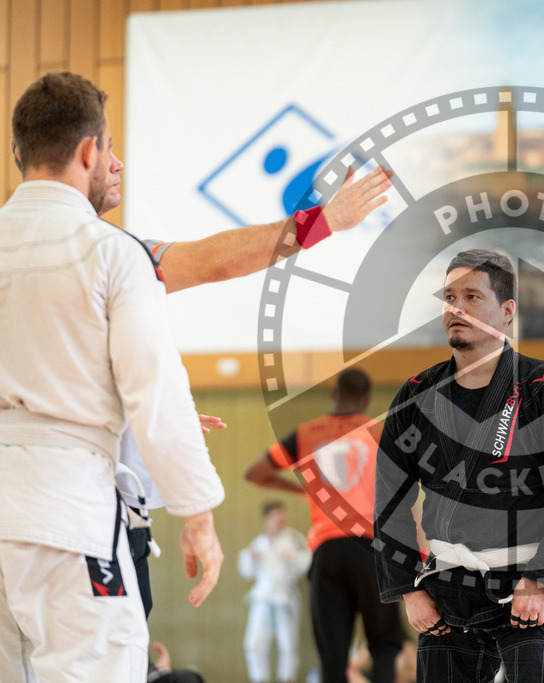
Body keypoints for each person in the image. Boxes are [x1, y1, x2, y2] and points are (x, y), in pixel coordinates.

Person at [11, 87, 393, 621]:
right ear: (87, 153)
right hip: (79, 515)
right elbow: (215, 264)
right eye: (110, 149)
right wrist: (321, 221)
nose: (118, 165)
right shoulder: (116, 254)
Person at [0, 72, 225, 680]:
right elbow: (155, 391)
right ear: (88, 151)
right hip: (68, 513)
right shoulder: (109, 252)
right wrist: (197, 513)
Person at [374, 248, 544, 682]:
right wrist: (409, 589)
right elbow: (390, 498)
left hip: (531, 588)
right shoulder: (415, 395)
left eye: (471, 297)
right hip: (446, 593)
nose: (456, 308)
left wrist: (541, 580)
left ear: (507, 312)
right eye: (449, 297)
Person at [245, 368, 404, 683]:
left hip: (327, 552)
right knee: (384, 646)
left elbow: (255, 473)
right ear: (366, 399)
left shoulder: (305, 434)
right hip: (371, 549)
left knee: (333, 656)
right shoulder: (379, 433)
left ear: (333, 394)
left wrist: (299, 488)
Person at [238, 502, 311, 683]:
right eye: (276, 517)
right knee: (254, 643)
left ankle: (287, 679)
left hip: (285, 597)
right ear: (267, 519)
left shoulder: (294, 539)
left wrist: (294, 557)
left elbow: (307, 563)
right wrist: (250, 558)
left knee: (288, 644)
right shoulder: (259, 542)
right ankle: (259, 678)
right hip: (262, 598)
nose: (280, 520)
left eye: (282, 516)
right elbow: (246, 570)